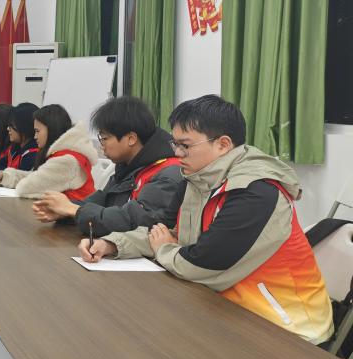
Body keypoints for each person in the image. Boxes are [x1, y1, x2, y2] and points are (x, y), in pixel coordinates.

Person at [78, 95, 333, 345]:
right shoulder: (196, 179)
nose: (178, 153)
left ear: (223, 144)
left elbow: (201, 264)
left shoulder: (257, 192)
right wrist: (112, 244)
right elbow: (166, 232)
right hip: (222, 307)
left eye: (185, 146)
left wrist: (165, 249)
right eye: (175, 144)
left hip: (286, 327)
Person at [33, 96, 183, 236]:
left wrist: (74, 210)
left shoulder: (167, 174)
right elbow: (103, 200)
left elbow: (133, 221)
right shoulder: (129, 166)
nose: (101, 145)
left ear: (131, 139)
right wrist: (65, 211)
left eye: (104, 138)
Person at [0, 104, 96, 199]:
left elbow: (29, 187)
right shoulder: (62, 154)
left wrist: (7, 177)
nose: (35, 136)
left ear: (51, 129)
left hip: (73, 216)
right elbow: (36, 177)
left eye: (37, 131)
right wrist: (4, 176)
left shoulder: (67, 161)